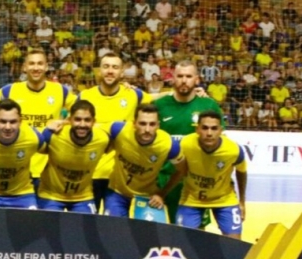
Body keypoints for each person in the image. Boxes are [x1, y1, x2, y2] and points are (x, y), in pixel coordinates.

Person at [78, 53, 157, 211]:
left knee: (115, 227)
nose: (110, 71)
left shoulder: (133, 95)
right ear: (99, 71)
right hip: (89, 174)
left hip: (120, 179)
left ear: (122, 73)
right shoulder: (85, 97)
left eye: (115, 67)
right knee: (86, 226)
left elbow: (159, 98)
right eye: (106, 66)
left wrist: (194, 94)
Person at [154, 60, 223, 224]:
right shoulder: (159, 105)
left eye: (188, 76)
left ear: (197, 79)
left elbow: (219, 141)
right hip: (162, 180)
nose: (184, 80)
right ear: (173, 79)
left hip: (195, 183)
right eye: (180, 76)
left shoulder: (208, 105)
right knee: (158, 233)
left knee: (195, 234)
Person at [0, 48, 77, 186]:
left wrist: (64, 123)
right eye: (32, 64)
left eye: (40, 64)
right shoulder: (9, 91)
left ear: (46, 66)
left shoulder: (60, 91)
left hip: (49, 168)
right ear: (24, 67)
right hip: (16, 167)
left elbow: (83, 112)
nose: (36, 68)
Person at [172, 111, 248, 239]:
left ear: (221, 131)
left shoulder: (233, 150)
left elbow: (242, 172)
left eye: (214, 128)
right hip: (192, 198)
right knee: (182, 242)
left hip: (224, 199)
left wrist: (242, 202)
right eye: (205, 128)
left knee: (235, 244)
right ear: (197, 129)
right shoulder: (185, 144)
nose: (209, 133)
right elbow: (178, 168)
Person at [103, 104, 184, 218]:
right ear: (134, 124)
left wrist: (161, 194)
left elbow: (181, 170)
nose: (147, 129)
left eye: (152, 124)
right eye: (142, 123)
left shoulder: (169, 145)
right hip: (117, 193)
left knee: (145, 234)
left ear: (158, 125)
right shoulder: (118, 130)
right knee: (113, 229)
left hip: (147, 197)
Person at [37, 100, 110, 213]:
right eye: (77, 119)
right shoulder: (53, 135)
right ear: (69, 120)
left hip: (83, 197)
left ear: (94, 121)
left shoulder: (103, 139)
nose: (82, 124)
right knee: (48, 229)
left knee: (86, 229)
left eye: (87, 120)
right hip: (50, 195)